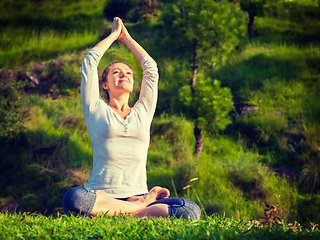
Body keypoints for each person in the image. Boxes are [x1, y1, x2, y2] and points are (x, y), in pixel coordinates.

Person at [62, 17, 201, 220]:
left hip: (136, 194)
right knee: (74, 199)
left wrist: (126, 38)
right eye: (116, 72)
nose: (123, 75)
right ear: (104, 85)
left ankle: (124, 211)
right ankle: (139, 210)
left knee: (189, 210)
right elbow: (90, 62)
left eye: (128, 73)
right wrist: (113, 36)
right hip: (101, 195)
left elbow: (151, 70)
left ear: (134, 83)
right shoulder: (95, 108)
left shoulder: (142, 113)